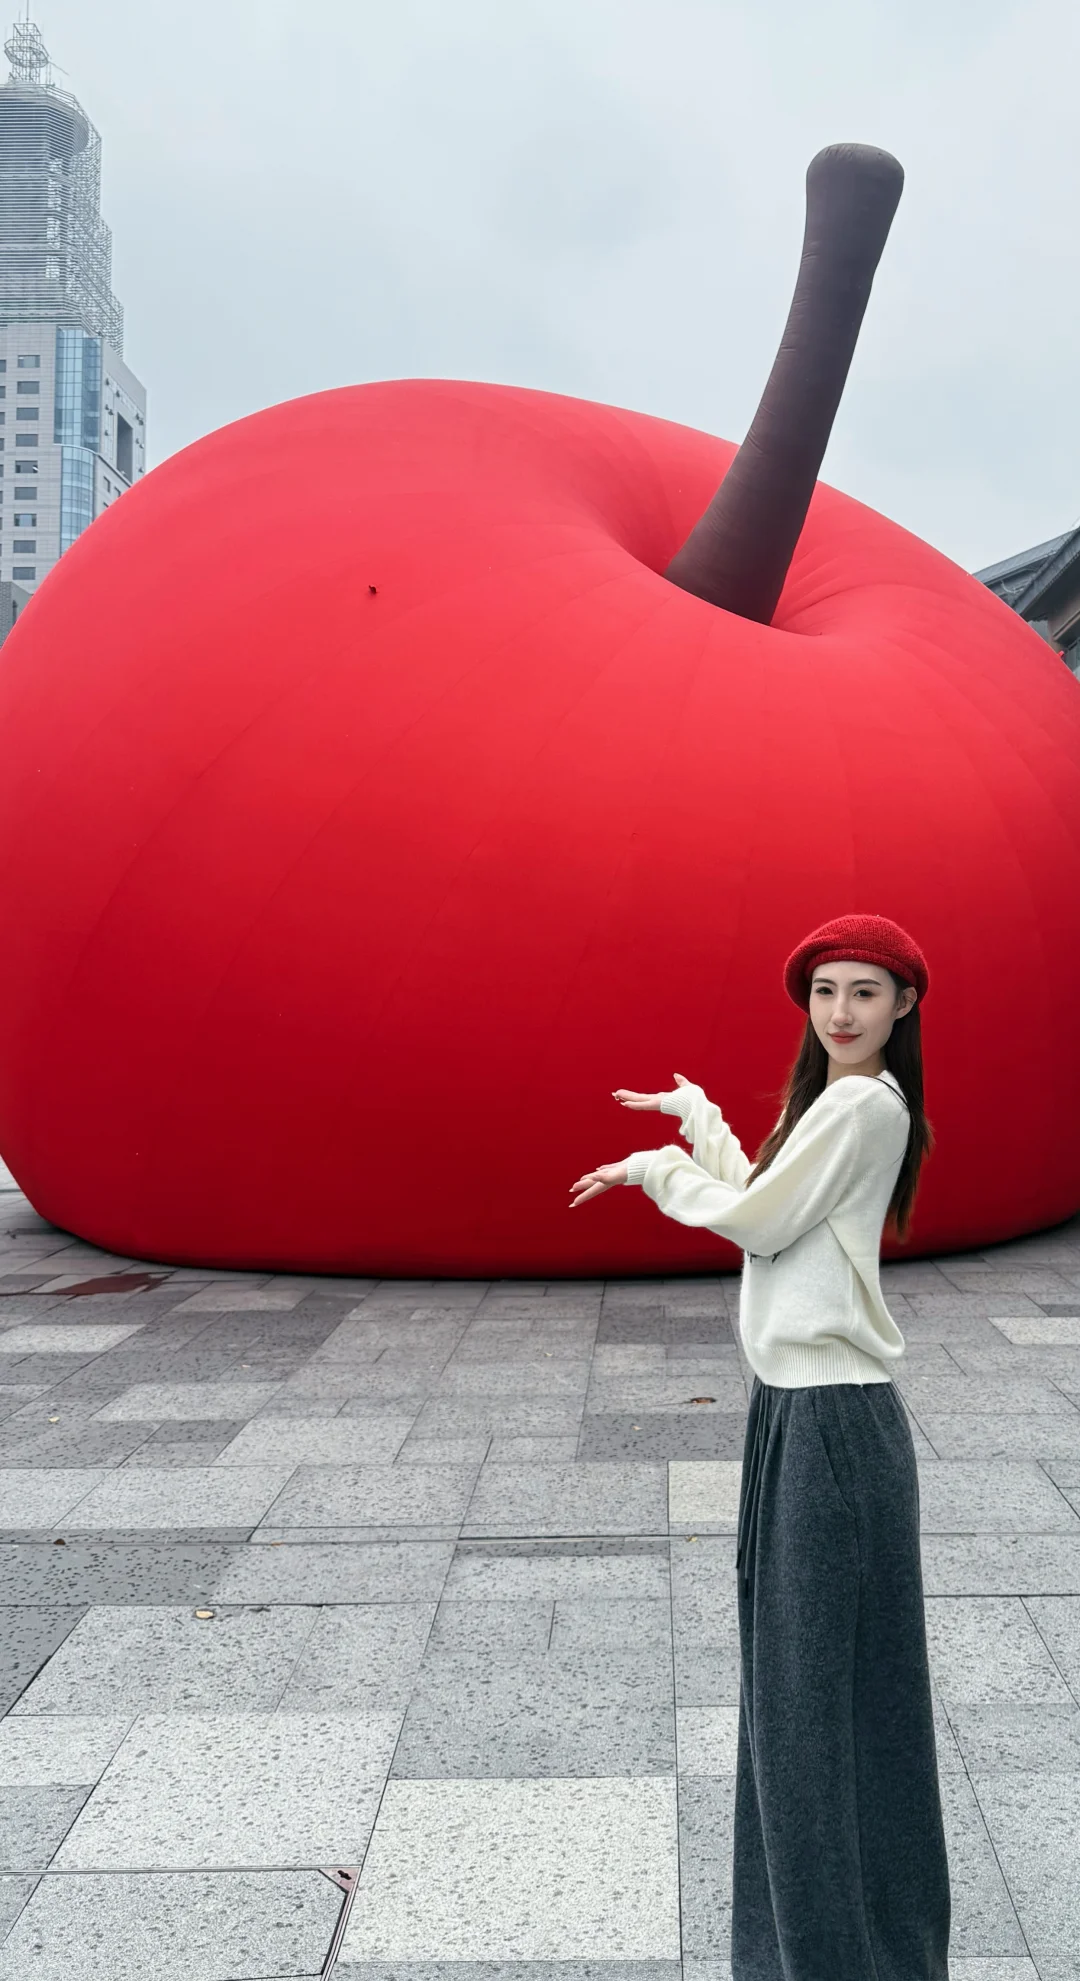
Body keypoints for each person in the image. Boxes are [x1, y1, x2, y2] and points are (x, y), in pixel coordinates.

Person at [569, 911, 951, 1981]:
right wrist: (695, 1123)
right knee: (809, 1708)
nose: (841, 1012)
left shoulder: (867, 1105)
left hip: (831, 1423)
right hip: (799, 1413)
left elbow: (755, 1225)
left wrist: (659, 1172)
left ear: (905, 1005)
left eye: (866, 992)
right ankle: (836, 1954)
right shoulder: (830, 1105)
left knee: (811, 1717)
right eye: (826, 990)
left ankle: (837, 1960)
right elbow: (767, 1200)